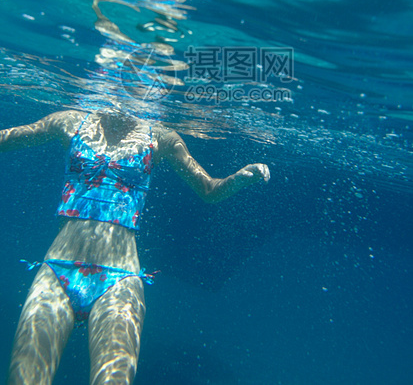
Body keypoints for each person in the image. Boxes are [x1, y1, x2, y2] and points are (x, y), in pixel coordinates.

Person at [1, 109, 270, 384]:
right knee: (23, 379)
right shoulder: (69, 121)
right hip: (58, 269)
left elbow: (210, 189)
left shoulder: (162, 137)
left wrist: (239, 178)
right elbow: (8, 138)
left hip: (120, 278)